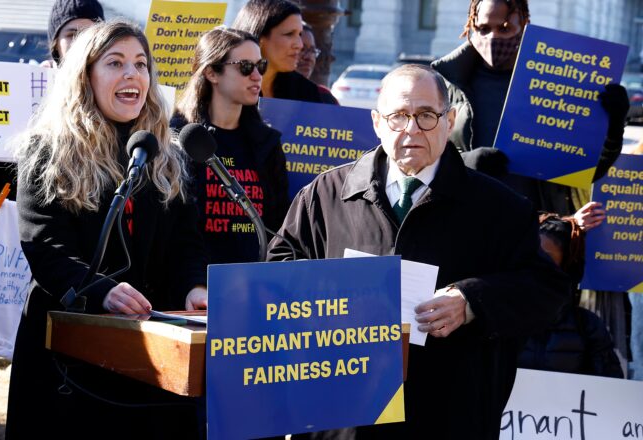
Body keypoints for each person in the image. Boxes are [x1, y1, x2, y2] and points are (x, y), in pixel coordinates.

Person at [268, 64, 567, 439]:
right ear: (377, 122)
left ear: (449, 119)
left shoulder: (501, 208)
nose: (411, 130)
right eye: (399, 116)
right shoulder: (324, 195)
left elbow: (545, 291)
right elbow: (279, 270)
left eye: (426, 116)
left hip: (447, 412)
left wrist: (471, 301)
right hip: (344, 415)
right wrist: (335, 297)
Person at [6, 19, 208, 439]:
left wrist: (193, 286)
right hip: (71, 353)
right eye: (115, 63)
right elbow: (44, 245)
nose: (132, 74)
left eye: (139, 63)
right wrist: (100, 289)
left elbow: (186, 241)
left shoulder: (166, 153)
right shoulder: (47, 150)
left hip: (154, 347)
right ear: (85, 77)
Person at [433, 0, 627, 216]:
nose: (492, 37)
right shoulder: (446, 86)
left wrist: (613, 127)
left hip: (536, 229)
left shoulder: (555, 85)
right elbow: (425, 160)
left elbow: (587, 170)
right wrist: (467, 163)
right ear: (471, 26)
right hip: (468, 220)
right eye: (484, 29)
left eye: (505, 28)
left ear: (524, 24)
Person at [171, 27, 289, 264]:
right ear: (212, 73)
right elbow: (172, 230)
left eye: (260, 66)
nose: (257, 76)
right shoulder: (180, 138)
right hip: (192, 288)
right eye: (246, 67)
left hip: (253, 282)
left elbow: (280, 223)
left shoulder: (267, 143)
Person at [518, 212, 624, 378]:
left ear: (565, 268)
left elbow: (609, 392)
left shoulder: (588, 327)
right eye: (530, 256)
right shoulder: (497, 318)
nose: (534, 266)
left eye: (545, 259)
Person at [231, 0, 335, 104]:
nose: (299, 45)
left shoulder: (311, 94)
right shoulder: (223, 90)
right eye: (289, 34)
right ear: (260, 38)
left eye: (299, 34)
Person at [45, 0, 104, 66]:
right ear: (55, 43)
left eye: (90, 35)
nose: (82, 43)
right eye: (72, 35)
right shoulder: (38, 74)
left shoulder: (112, 74)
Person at [295, 24, 337, 104]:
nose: (309, 57)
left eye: (313, 50)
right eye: (302, 49)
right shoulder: (269, 94)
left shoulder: (324, 97)